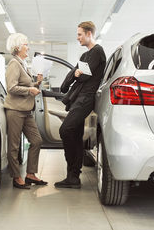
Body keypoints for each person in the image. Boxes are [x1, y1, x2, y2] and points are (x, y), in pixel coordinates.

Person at [55, 21, 106, 189]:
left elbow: (83, 75)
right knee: (75, 134)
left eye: (79, 34)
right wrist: (67, 82)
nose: (77, 38)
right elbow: (74, 71)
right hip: (79, 97)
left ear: (89, 33)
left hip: (86, 98)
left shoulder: (97, 51)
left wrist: (77, 74)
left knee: (66, 130)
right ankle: (73, 176)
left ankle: (73, 173)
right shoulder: (85, 55)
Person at [4, 33, 48, 189]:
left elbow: (27, 86)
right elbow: (11, 87)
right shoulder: (14, 64)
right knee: (14, 146)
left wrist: (37, 83)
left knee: (37, 141)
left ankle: (30, 174)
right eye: (25, 45)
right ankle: (16, 177)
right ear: (17, 47)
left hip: (26, 111)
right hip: (15, 110)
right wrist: (30, 90)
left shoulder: (22, 63)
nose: (28, 47)